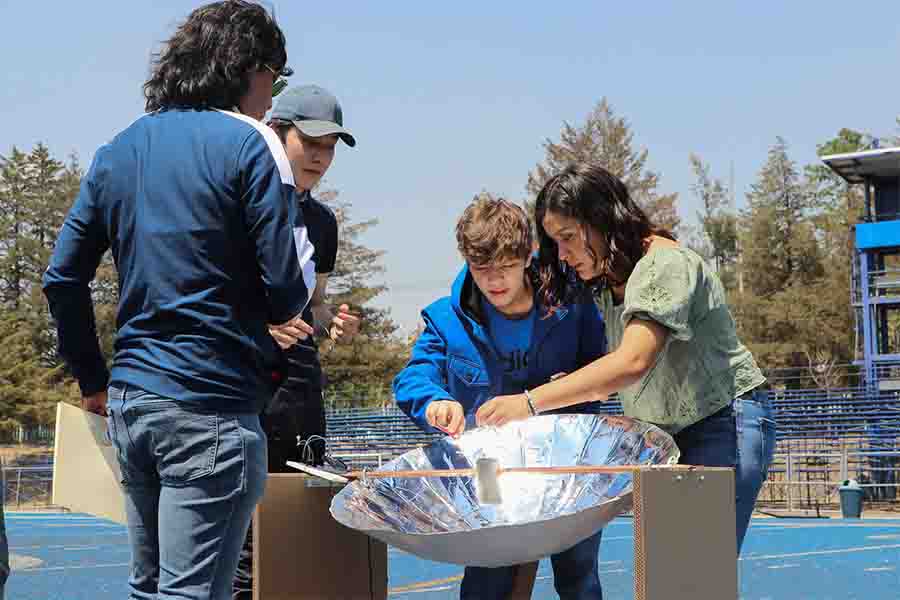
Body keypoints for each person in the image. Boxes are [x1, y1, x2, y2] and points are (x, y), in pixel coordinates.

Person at [42, 2, 315, 598]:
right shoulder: (250, 141)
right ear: (246, 67)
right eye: (274, 74)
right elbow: (289, 291)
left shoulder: (118, 148)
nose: (273, 94)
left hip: (133, 406)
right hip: (210, 404)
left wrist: (94, 379)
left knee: (150, 589)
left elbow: (62, 279)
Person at [476, 163, 777, 554]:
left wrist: (528, 402)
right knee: (667, 576)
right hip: (668, 434)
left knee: (695, 575)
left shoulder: (665, 265)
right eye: (555, 242)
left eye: (568, 238)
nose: (563, 255)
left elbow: (634, 361)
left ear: (602, 220)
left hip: (722, 424)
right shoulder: (609, 282)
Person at [393, 195, 607, 600]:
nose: (494, 281)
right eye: (481, 269)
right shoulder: (445, 319)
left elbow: (601, 368)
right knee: (487, 579)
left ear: (528, 255)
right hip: (488, 469)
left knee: (579, 576)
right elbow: (413, 377)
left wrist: (564, 389)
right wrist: (434, 400)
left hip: (566, 462)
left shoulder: (572, 305)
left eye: (505, 268)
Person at [232, 84, 360, 599]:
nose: (320, 157)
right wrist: (261, 329)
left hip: (302, 399)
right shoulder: (237, 205)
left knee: (297, 532)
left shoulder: (323, 223)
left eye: (330, 147)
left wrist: (334, 322)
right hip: (246, 389)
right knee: (243, 544)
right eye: (310, 142)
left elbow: (316, 302)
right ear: (276, 133)